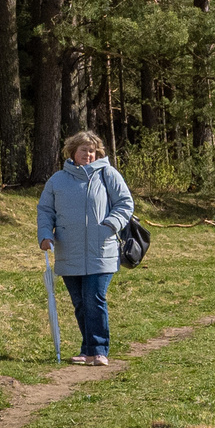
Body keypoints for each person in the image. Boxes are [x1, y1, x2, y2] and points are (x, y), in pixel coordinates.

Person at [36, 129, 133, 366]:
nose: (88, 154)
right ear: (72, 151)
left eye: (92, 151)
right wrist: (45, 235)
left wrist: (110, 225)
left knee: (94, 298)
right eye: (83, 150)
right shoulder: (57, 180)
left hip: (102, 249)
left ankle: (99, 350)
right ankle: (87, 350)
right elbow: (45, 211)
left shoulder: (107, 174)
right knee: (80, 302)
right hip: (69, 251)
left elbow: (124, 203)